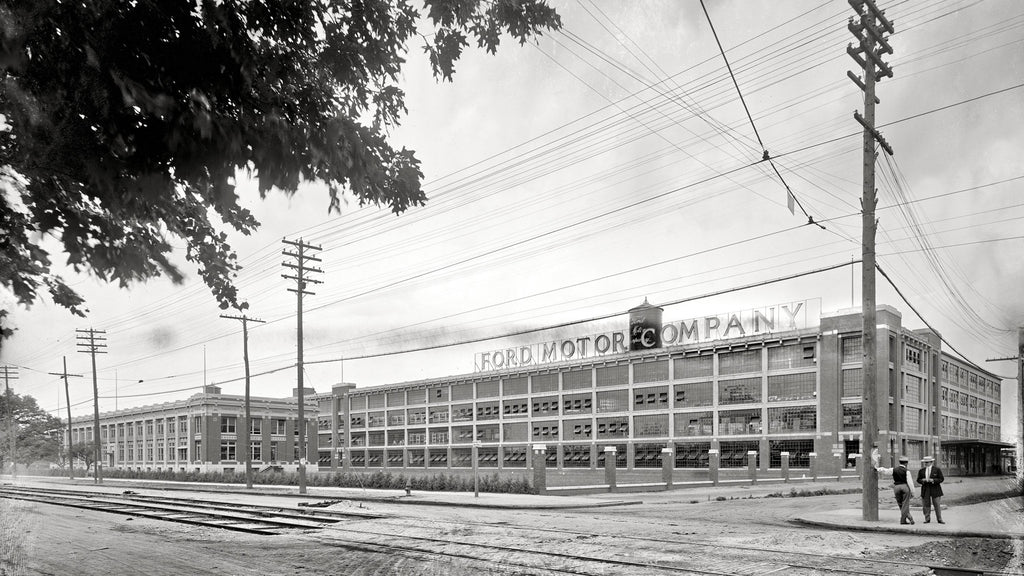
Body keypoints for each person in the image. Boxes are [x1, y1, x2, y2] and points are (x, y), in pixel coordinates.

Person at [874, 453, 915, 525]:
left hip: (896, 487)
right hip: (904, 486)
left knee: (900, 504)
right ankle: (903, 520)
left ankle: (909, 517)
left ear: (900, 462)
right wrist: (913, 492)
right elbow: (910, 483)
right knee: (905, 504)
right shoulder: (907, 471)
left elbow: (885, 471)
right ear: (906, 463)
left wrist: (878, 469)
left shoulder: (894, 470)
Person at [917, 455, 945, 524]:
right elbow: (918, 480)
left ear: (931, 462)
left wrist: (933, 480)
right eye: (925, 462)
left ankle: (939, 519)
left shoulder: (937, 469)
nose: (926, 464)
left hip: (935, 488)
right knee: (926, 504)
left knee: (937, 504)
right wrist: (922, 480)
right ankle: (927, 519)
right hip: (925, 488)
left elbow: (941, 479)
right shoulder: (921, 470)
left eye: (927, 462)